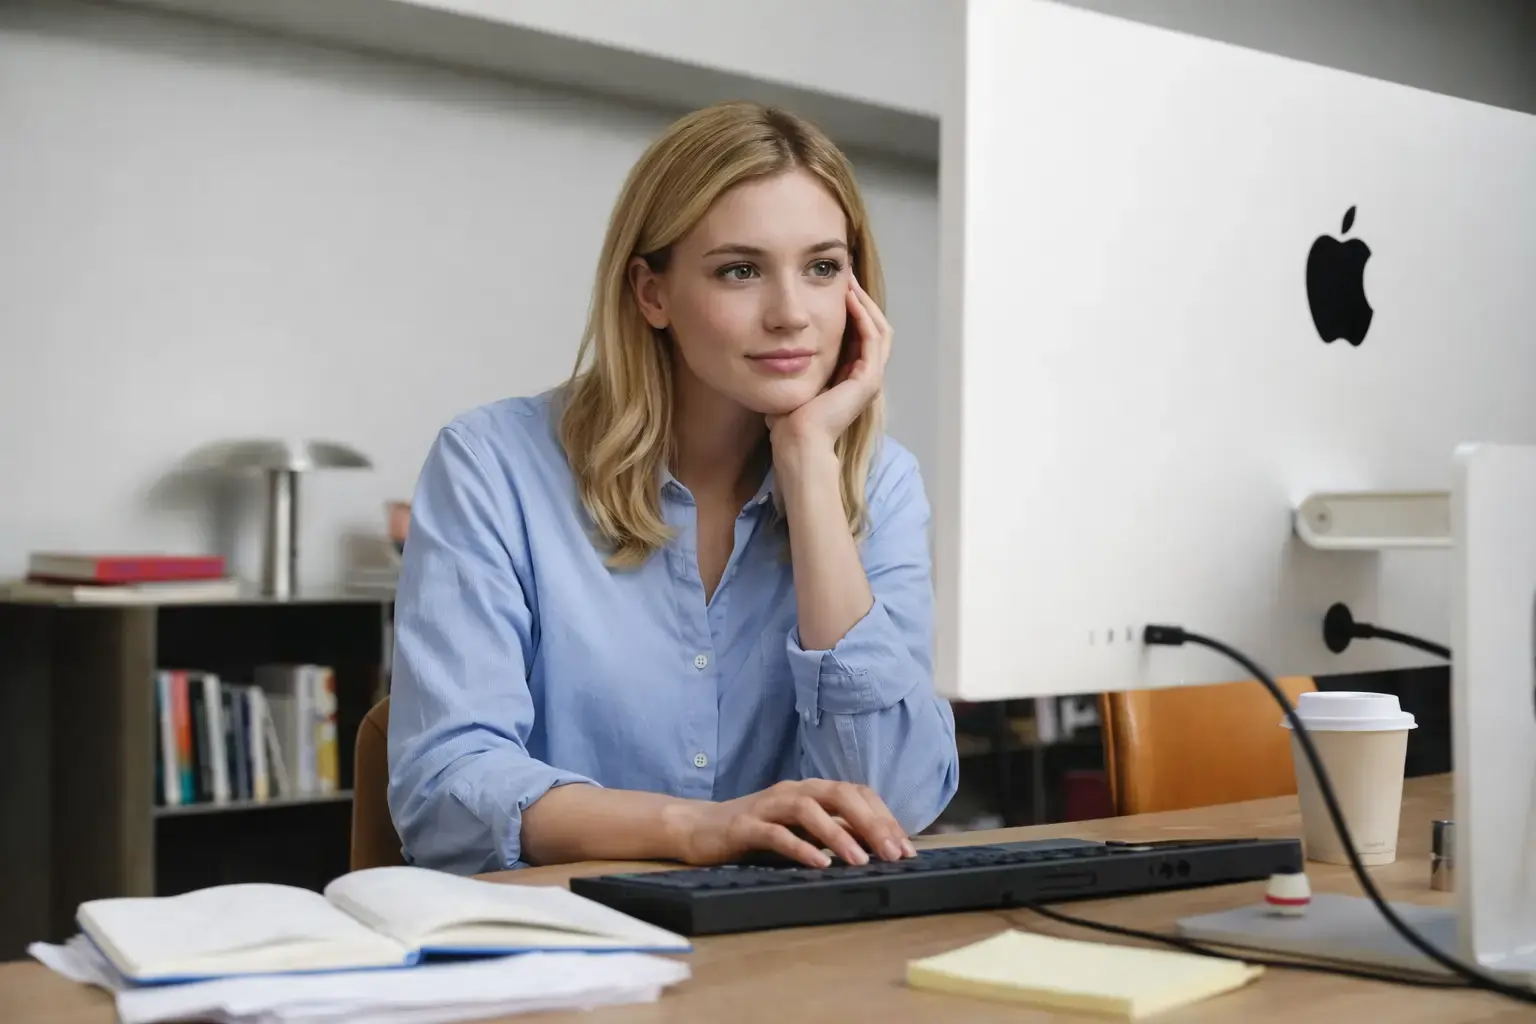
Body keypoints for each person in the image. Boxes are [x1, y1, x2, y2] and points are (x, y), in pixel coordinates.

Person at [386, 100, 960, 876]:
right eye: (740, 270)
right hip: (566, 951)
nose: (792, 313)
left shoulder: (878, 483)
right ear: (651, 294)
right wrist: (699, 829)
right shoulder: (490, 466)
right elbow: (446, 787)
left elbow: (894, 801)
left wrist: (809, 472)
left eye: (822, 268)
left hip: (796, 954)